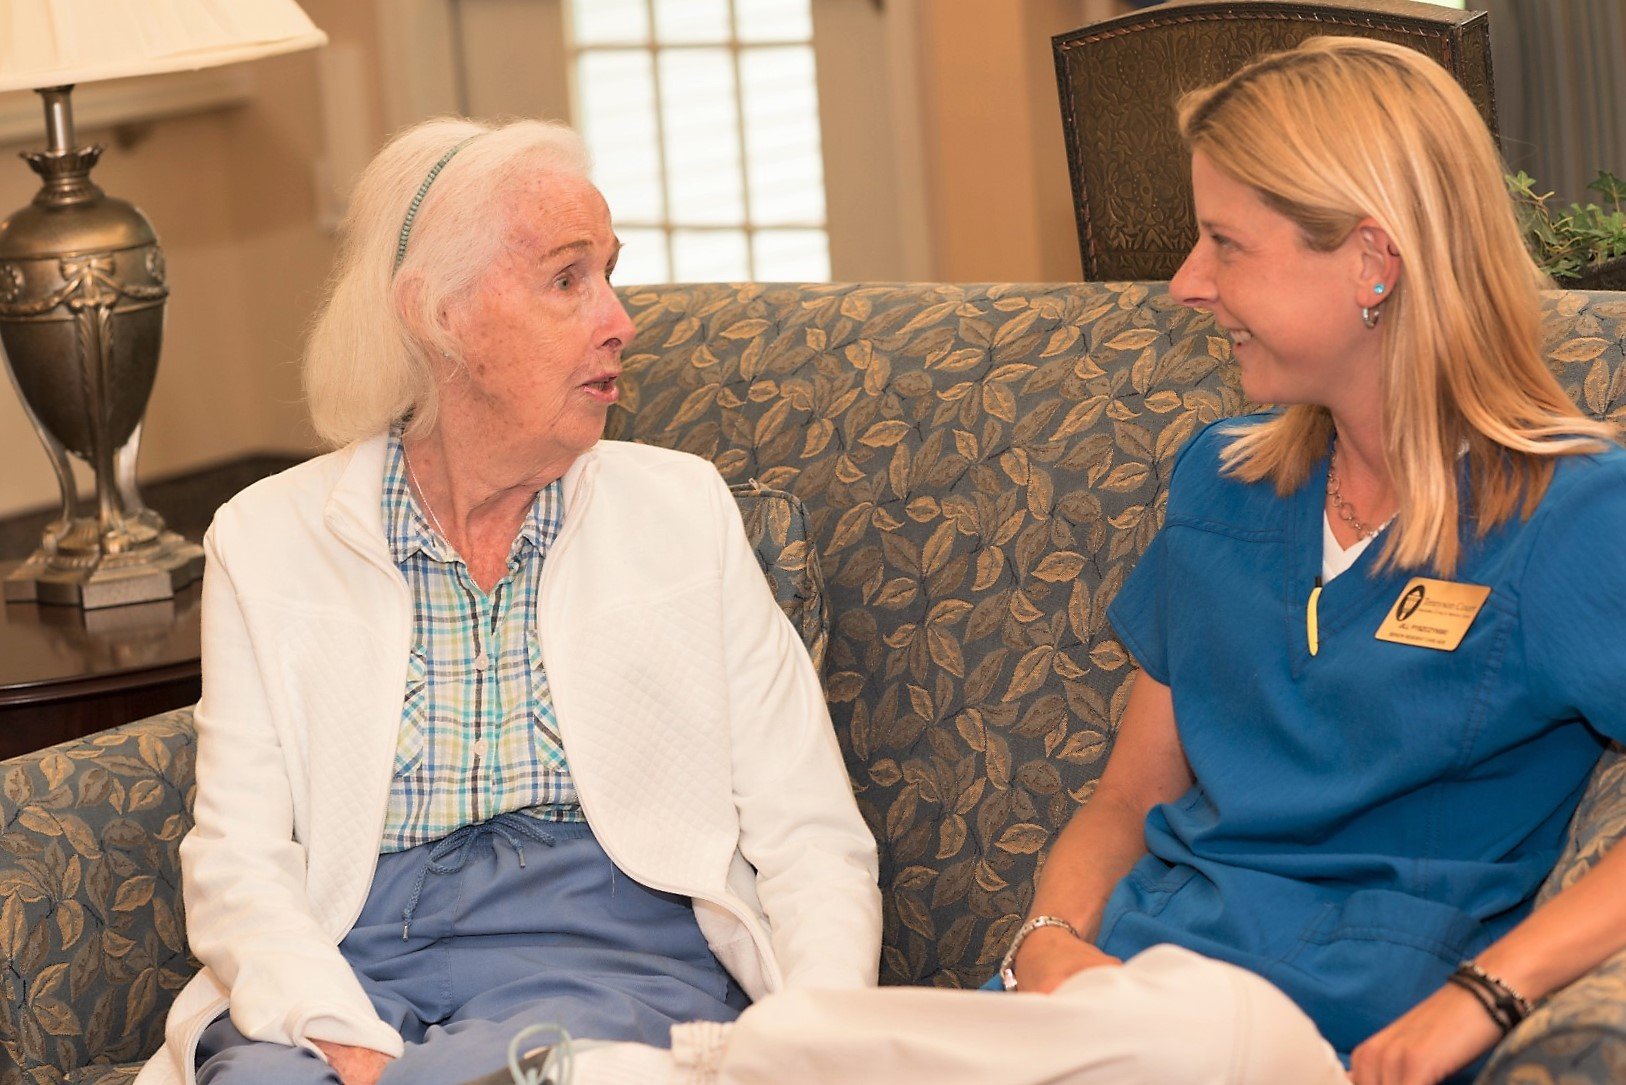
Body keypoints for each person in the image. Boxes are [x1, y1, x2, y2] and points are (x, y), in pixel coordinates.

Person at [551, 36, 1626, 1085]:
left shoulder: (1568, 512)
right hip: (1128, 998)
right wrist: (1050, 936)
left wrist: (1488, 991)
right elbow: (1125, 798)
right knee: (822, 1035)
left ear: (1373, 263)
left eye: (1226, 243)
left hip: (1316, 1030)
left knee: (1198, 1036)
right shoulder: (1227, 482)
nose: (1185, 284)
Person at [134, 117, 881, 1085]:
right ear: (438, 315)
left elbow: (811, 834)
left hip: (604, 960)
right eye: (569, 279)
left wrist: (825, 1041)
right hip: (345, 960)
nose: (621, 320)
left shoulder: (683, 512)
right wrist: (340, 1035)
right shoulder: (265, 539)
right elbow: (236, 857)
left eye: (610, 273)